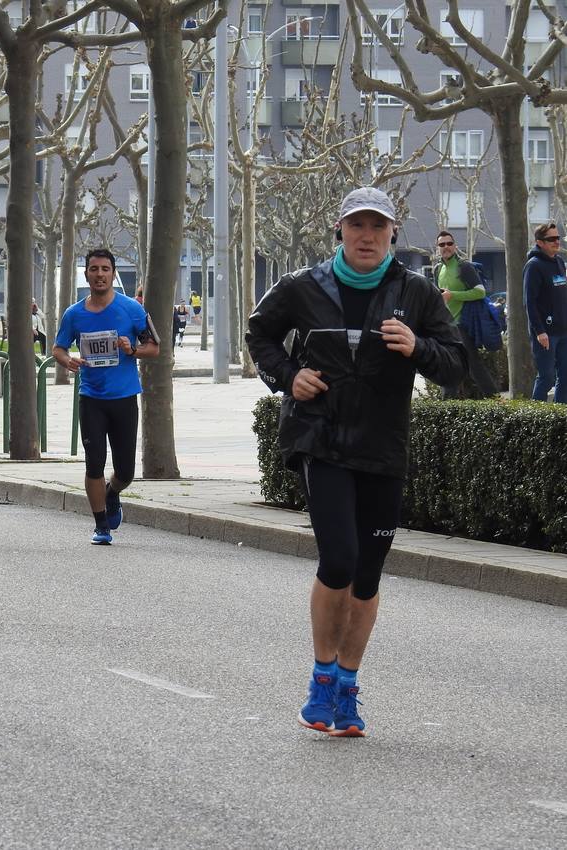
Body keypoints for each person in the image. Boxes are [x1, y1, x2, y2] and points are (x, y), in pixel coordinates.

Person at [246, 187, 466, 738]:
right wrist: (288, 376)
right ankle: (320, 681)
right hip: (320, 441)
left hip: (383, 447)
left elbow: (457, 364)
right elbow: (260, 333)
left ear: (393, 233)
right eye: (356, 225)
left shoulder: (415, 293)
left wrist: (418, 347)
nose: (367, 236)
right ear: (340, 231)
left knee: (367, 573)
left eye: (378, 226)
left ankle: (347, 686)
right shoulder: (304, 286)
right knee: (339, 559)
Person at [53, 248, 159, 545]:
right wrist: (67, 361)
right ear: (86, 273)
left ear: (113, 273)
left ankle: (112, 494)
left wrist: (132, 349)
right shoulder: (74, 314)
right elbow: (58, 348)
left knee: (125, 471)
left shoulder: (132, 309)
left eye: (105, 269)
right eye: (94, 269)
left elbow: (155, 348)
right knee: (94, 462)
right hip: (92, 398)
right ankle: (101, 525)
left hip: (124, 398)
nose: (99, 274)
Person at [433, 231, 498, 399]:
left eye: (449, 243)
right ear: (438, 248)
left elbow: (480, 292)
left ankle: (496, 402)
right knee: (448, 365)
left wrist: (452, 294)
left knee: (473, 365)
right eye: (442, 244)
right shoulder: (437, 269)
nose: (446, 247)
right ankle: (446, 408)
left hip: (462, 325)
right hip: (446, 326)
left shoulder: (464, 267)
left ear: (455, 246)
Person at [522, 221, 567, 402]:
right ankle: (534, 417)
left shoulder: (559, 262)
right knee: (547, 377)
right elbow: (529, 303)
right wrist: (540, 331)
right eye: (551, 239)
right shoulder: (533, 266)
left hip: (564, 331)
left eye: (558, 237)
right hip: (546, 334)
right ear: (540, 242)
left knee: (565, 377)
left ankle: (558, 418)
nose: (556, 242)